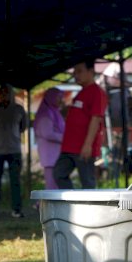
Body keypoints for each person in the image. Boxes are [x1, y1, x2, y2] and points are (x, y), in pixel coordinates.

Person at [53, 59, 107, 189]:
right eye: (74, 72)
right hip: (69, 147)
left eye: (79, 71)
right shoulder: (80, 93)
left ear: (91, 72)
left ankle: (91, 209)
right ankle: (71, 206)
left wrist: (88, 145)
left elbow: (96, 118)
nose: (76, 75)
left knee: (87, 182)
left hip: (83, 148)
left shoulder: (97, 92)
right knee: (58, 174)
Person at [0, 84, 28, 218]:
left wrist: (11, 136)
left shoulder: (19, 110)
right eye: (1, 92)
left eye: (7, 92)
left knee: (15, 181)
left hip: (14, 150)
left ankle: (17, 209)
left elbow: (23, 127)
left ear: (12, 94)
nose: (4, 95)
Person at [33, 87, 66, 190]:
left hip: (55, 155)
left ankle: (47, 205)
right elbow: (47, 133)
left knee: (56, 185)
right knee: (52, 185)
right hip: (50, 155)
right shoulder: (45, 113)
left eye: (61, 97)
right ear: (51, 97)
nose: (61, 100)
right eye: (58, 97)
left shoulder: (54, 112)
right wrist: (65, 138)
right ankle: (43, 205)